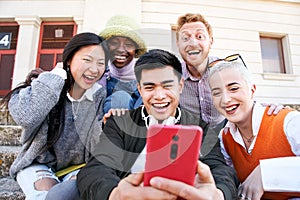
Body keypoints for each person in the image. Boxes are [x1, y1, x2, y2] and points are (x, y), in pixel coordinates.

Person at [77, 49, 239, 200]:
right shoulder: (120, 123)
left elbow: (221, 170)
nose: (159, 96)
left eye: (168, 86)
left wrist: (218, 194)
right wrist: (115, 194)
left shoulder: (200, 127)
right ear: (139, 90)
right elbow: (97, 168)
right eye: (150, 87)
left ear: (180, 86)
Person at [0, 32, 108, 200]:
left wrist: (106, 127)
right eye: (87, 60)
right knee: (45, 196)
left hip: (77, 166)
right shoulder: (42, 86)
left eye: (101, 63)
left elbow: (94, 142)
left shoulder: (97, 95)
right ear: (69, 59)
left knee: (78, 191)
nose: (94, 70)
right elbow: (27, 117)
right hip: (36, 164)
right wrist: (55, 77)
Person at [208, 55, 300, 200]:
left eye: (233, 88)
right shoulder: (225, 139)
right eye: (217, 93)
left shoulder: (288, 121)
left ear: (252, 90)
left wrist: (266, 173)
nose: (225, 100)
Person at [175, 13, 283, 130]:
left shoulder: (225, 69)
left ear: (210, 42)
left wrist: (266, 109)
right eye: (185, 38)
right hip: (191, 137)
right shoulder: (173, 76)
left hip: (225, 133)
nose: (193, 43)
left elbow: (245, 98)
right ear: (178, 44)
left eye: (199, 37)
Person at [98, 14, 147, 114]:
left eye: (128, 45)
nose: (121, 49)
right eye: (114, 43)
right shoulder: (97, 76)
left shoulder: (147, 78)